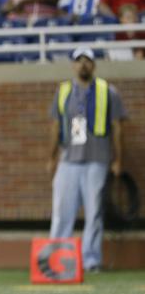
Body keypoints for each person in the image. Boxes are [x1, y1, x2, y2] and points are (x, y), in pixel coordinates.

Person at [46, 47, 127, 272]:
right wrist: (52, 157)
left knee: (94, 213)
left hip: (97, 160)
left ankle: (90, 260)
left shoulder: (108, 91)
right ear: (73, 64)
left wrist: (118, 159)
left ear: (94, 64)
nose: (83, 64)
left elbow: (117, 127)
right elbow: (54, 126)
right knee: (62, 212)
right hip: (68, 159)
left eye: (87, 60)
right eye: (78, 60)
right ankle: (56, 260)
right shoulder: (63, 91)